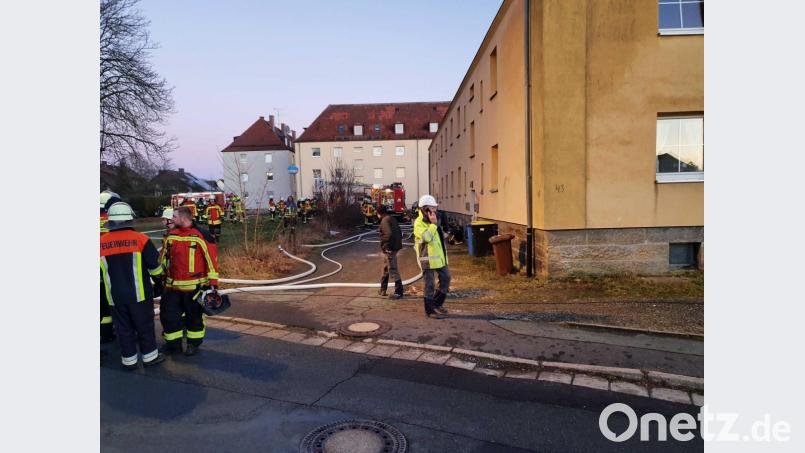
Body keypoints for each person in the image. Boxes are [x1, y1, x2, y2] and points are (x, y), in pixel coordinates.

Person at [100, 202, 166, 369]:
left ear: (111, 221)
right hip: (140, 294)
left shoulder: (100, 243)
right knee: (144, 326)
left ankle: (129, 361)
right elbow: (155, 268)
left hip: (114, 296)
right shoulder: (141, 240)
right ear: (130, 219)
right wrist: (159, 283)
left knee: (123, 329)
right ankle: (149, 358)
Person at [159, 207, 219, 356]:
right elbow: (163, 260)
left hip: (194, 288)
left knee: (194, 319)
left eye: (174, 216)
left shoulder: (201, 236)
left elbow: (211, 261)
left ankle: (193, 344)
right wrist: (160, 277)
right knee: (168, 317)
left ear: (183, 218)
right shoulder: (171, 235)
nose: (172, 219)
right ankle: (173, 345)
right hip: (172, 287)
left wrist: (213, 284)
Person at [413, 195, 450, 319]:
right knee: (429, 285)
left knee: (446, 278)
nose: (434, 210)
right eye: (432, 208)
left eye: (435, 207)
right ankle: (429, 310)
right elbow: (427, 238)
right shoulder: (419, 223)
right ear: (424, 209)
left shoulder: (432, 219)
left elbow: (439, 238)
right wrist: (433, 225)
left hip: (439, 258)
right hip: (427, 259)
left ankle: (437, 304)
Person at [99, 190, 121, 344]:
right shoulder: (112, 220)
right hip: (109, 265)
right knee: (108, 300)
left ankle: (105, 333)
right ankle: (109, 331)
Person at [377, 205, 404, 299]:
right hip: (394, 247)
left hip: (390, 248)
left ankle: (399, 291)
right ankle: (382, 289)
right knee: (385, 268)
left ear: (379, 213)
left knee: (393, 268)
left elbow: (388, 234)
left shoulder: (384, 221)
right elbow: (400, 233)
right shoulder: (392, 218)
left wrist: (387, 246)